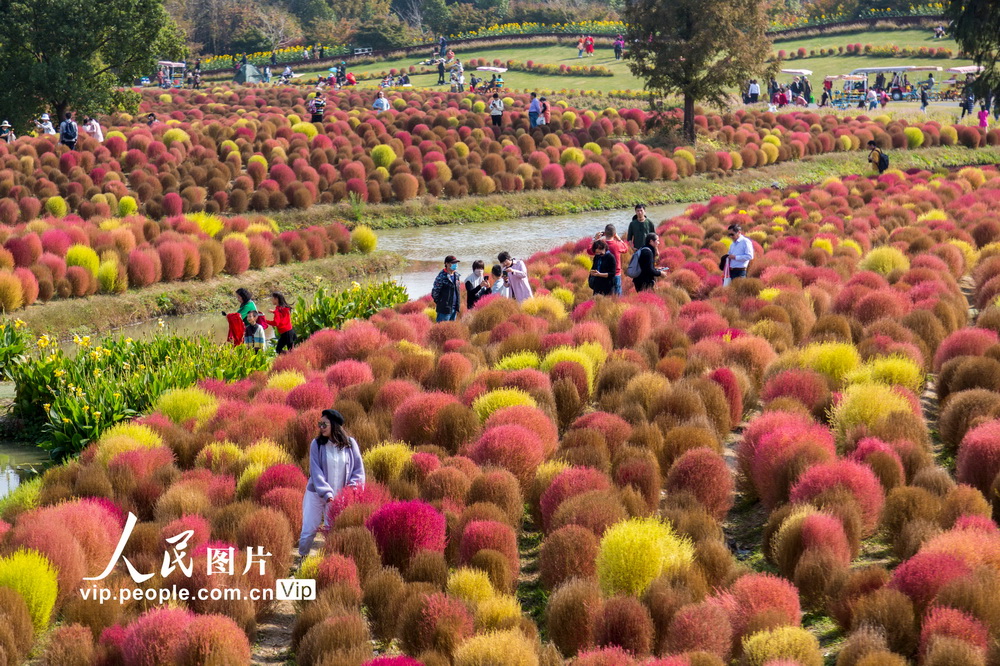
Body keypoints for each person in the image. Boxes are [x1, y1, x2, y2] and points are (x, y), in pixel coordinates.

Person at [298, 409, 365, 559]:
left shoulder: (350, 444)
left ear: (334, 425)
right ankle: (302, 558)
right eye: (319, 423)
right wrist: (327, 493)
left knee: (332, 530)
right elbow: (316, 472)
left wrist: (352, 490)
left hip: (339, 496)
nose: (321, 427)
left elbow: (358, 470)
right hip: (316, 494)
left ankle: (330, 560)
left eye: (324, 424)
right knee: (309, 528)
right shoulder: (317, 444)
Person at [592, 224, 627, 295]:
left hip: (601, 274)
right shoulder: (617, 244)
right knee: (617, 297)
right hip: (616, 274)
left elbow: (589, 250)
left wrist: (595, 239)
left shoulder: (600, 245)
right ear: (614, 234)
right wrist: (618, 238)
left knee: (603, 295)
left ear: (604, 234)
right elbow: (625, 248)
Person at [431, 255, 462, 322]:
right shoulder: (442, 276)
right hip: (444, 310)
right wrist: (441, 302)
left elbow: (457, 291)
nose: (455, 265)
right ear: (446, 264)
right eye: (453, 263)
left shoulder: (456, 275)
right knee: (441, 329)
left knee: (451, 329)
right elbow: (435, 292)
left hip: (454, 308)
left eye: (456, 263)